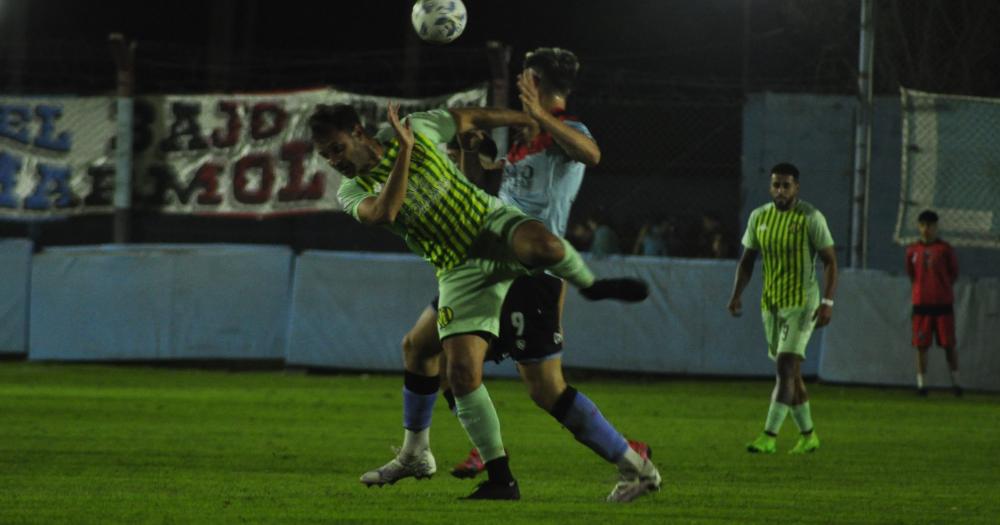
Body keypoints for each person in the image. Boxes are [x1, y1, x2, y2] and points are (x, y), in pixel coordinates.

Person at [309, 98, 649, 500]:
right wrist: (404, 154)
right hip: (459, 270)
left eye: (336, 148)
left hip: (496, 231)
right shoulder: (352, 190)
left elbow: (472, 116)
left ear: (358, 133)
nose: (333, 160)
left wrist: (529, 118)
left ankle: (591, 287)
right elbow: (385, 212)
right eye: (325, 155)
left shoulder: (420, 127)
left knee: (544, 258)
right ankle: (498, 479)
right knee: (457, 371)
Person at [410, 47, 660, 503]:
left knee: (546, 390)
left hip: (530, 273)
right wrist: (468, 154)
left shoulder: (567, 134)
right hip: (483, 266)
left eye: (524, 77)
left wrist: (540, 117)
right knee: (431, 351)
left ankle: (634, 464)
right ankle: (486, 459)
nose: (519, 84)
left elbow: (592, 153)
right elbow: (478, 194)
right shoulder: (522, 147)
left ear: (537, 83)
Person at [727, 162, 838, 454]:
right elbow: (747, 260)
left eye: (786, 185)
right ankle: (809, 435)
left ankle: (769, 436)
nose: (780, 190)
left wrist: (827, 302)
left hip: (803, 303)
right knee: (792, 373)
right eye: (776, 184)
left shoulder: (810, 217)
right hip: (771, 304)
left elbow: (830, 261)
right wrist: (736, 294)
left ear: (796, 188)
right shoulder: (759, 217)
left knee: (785, 366)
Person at [905, 210, 961, 397]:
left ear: (936, 227)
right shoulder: (912, 250)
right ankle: (922, 385)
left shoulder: (945, 250)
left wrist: (941, 289)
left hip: (943, 304)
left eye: (930, 225)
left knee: (948, 344)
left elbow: (953, 273)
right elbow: (911, 274)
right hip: (922, 304)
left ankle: (956, 383)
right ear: (919, 227)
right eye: (923, 225)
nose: (926, 229)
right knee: (921, 345)